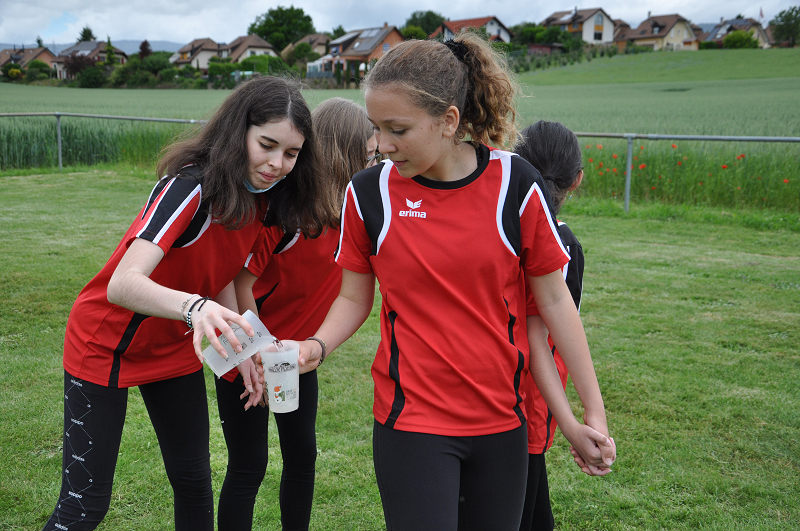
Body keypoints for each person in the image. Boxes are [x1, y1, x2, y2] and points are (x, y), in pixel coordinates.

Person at [292, 32, 614, 530]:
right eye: (376, 129)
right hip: (411, 422)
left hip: (502, 423)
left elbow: (555, 305)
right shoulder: (368, 193)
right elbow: (353, 298)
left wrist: (591, 414)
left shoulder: (516, 185)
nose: (382, 145)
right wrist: (315, 346)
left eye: (398, 129)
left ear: (448, 121)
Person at [42, 76, 325, 531]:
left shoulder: (264, 201)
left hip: (173, 349)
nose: (277, 164)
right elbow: (122, 284)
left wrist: (247, 350)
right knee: (85, 506)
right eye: (267, 145)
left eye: (291, 153)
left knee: (194, 484)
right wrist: (196, 308)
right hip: (105, 345)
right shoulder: (188, 187)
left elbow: (222, 277)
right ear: (239, 132)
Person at [214, 97, 377, 531]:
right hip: (247, 355)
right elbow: (239, 284)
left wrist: (299, 352)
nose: (375, 164)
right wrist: (258, 352)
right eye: (369, 155)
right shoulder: (286, 215)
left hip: (296, 358)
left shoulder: (353, 217)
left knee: (302, 457)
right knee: (249, 465)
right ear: (344, 154)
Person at [515, 120, 614, 530]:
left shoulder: (500, 228)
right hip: (533, 395)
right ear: (577, 180)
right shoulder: (563, 244)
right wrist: (580, 419)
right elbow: (541, 336)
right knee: (525, 500)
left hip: (495, 389)